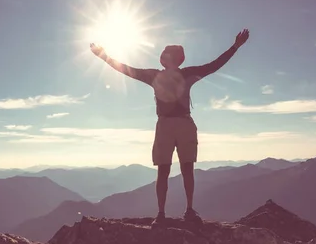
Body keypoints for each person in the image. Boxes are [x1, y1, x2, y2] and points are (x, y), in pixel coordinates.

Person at [90, 29, 250, 226]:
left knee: (166, 170)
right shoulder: (187, 73)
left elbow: (124, 69)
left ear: (168, 58)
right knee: (185, 169)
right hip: (183, 123)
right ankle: (185, 211)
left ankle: (162, 214)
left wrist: (103, 56)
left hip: (166, 124)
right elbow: (214, 65)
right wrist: (235, 47)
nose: (161, 56)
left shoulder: (154, 76)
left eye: (164, 53)